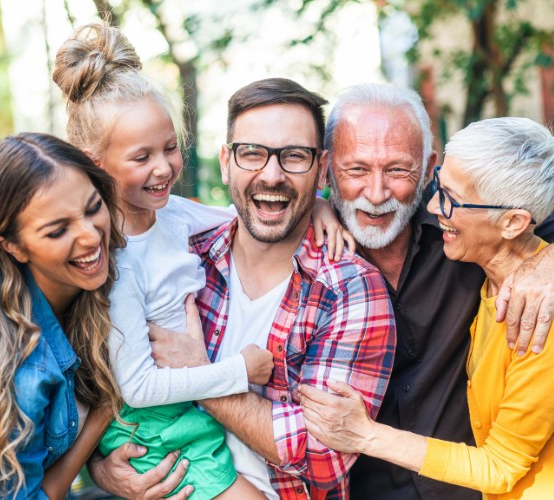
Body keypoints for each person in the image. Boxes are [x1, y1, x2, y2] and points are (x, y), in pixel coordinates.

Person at [52, 27, 353, 499]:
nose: (164, 167)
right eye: (141, 157)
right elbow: (135, 386)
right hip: (151, 420)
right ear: (96, 163)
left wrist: (316, 203)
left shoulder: (171, 214)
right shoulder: (116, 260)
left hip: (182, 411)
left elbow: (252, 207)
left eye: (170, 148)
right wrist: (239, 371)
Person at [312, 82, 554, 499]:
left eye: (397, 170)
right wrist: (313, 205)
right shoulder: (311, 245)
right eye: (355, 170)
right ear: (327, 168)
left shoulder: (495, 242)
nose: (375, 192)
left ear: (427, 168)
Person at [130, 77, 397, 499]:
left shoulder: (350, 289)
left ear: (321, 168)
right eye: (252, 153)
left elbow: (322, 455)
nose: (271, 175)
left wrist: (199, 375)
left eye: (294, 156)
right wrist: (105, 467)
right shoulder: (181, 260)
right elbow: (106, 372)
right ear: (225, 161)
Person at [0, 133, 125, 498]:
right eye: (58, 230)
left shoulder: (86, 289)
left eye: (93, 208)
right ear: (12, 246)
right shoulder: (17, 367)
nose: (91, 236)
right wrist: (103, 414)